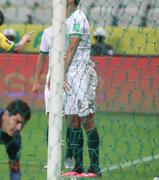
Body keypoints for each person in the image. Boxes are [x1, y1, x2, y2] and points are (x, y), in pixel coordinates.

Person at [62, 0, 101, 178]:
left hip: (81, 71)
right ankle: (78, 167)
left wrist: (61, 73)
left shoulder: (78, 17)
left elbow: (73, 45)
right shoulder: (64, 18)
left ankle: (94, 168)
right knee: (72, 119)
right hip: (69, 72)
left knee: (86, 118)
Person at [31, 26, 73, 170]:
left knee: (71, 119)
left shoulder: (74, 28)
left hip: (72, 77)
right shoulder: (48, 32)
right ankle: (52, 158)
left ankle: (69, 156)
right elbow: (42, 57)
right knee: (52, 119)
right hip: (52, 79)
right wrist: (36, 80)